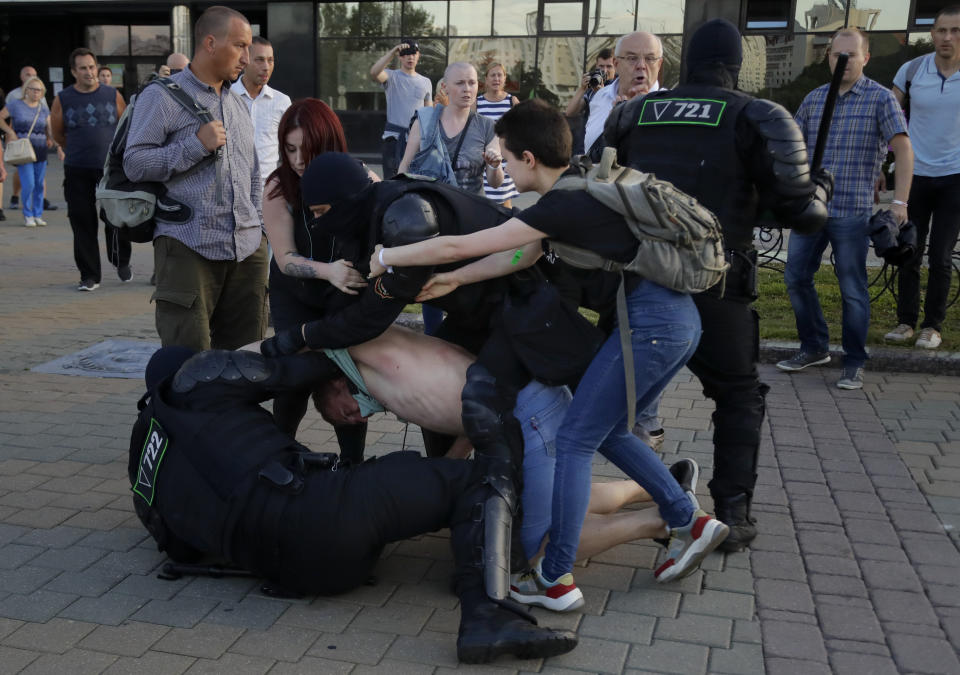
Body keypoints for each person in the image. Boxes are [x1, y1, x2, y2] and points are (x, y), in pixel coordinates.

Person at [371, 99, 730, 610]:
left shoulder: (562, 205)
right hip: (671, 323)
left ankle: (554, 577)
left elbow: (464, 243)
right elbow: (523, 251)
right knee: (603, 428)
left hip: (651, 327)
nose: (502, 168)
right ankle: (687, 516)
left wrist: (389, 256)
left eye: (506, 159)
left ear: (529, 158)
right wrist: (455, 279)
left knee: (576, 440)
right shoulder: (577, 187)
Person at [134, 345, 578, 664]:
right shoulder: (197, 377)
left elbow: (181, 551)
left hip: (289, 571)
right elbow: (301, 364)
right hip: (324, 509)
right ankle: (487, 611)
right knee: (481, 477)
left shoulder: (141, 465)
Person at [605, 18, 831, 552]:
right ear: (735, 63)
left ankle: (645, 497)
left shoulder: (633, 112)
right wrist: (819, 185)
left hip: (643, 279)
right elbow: (802, 215)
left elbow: (600, 182)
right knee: (736, 395)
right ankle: (733, 511)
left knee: (617, 401)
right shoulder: (759, 115)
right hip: (718, 282)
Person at [123, 5, 268, 350]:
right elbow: (135, 163)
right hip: (189, 247)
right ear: (210, 43)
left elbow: (252, 174)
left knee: (245, 360)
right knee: (188, 364)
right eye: (240, 46)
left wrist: (259, 230)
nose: (247, 58)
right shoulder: (161, 96)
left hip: (246, 252)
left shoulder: (237, 103)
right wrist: (194, 146)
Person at [779, 28, 912, 389]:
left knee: (852, 286)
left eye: (851, 55)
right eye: (838, 55)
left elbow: (902, 148)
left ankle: (854, 360)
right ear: (828, 57)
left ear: (865, 58)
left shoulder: (880, 98)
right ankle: (814, 346)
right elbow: (793, 149)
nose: (844, 61)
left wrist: (899, 202)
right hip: (812, 208)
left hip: (852, 209)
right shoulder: (814, 98)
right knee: (795, 277)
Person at [261, 101, 370, 460]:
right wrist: (330, 271)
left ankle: (353, 468)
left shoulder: (360, 179)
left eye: (305, 149)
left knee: (347, 380)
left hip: (343, 293)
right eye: (289, 149)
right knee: (292, 380)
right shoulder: (277, 188)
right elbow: (285, 259)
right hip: (295, 293)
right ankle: (279, 458)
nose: (297, 159)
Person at [398, 61, 504, 334]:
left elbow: (495, 181)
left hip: (471, 223)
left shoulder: (486, 127)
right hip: (432, 220)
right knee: (431, 284)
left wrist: (494, 165)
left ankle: (463, 342)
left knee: (469, 286)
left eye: (472, 82)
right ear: (445, 87)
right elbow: (403, 169)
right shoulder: (425, 120)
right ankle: (433, 340)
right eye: (460, 83)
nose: (467, 89)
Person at [885, 5, 960, 350]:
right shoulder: (912, 70)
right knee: (909, 251)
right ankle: (905, 322)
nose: (948, 37)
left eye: (956, 30)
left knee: (941, 256)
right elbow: (888, 116)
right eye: (942, 30)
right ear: (931, 34)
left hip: (955, 178)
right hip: (915, 176)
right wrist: (880, 164)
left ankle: (932, 326)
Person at [50, 48, 129, 291]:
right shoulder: (63, 98)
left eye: (92, 67)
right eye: (83, 68)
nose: (89, 72)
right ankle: (89, 275)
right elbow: (58, 133)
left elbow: (125, 127)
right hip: (77, 169)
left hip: (110, 170)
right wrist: (76, 148)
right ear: (74, 72)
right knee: (82, 222)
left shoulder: (112, 94)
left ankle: (120, 259)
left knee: (115, 219)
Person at [583, 33, 662, 157]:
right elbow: (589, 154)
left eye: (650, 58)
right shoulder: (600, 96)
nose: (641, 66)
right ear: (616, 64)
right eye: (632, 58)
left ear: (659, 64)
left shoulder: (667, 106)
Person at [369, 40, 433, 179]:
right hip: (394, 138)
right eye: (405, 54)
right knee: (392, 179)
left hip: (416, 139)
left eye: (413, 54)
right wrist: (392, 52)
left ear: (418, 56)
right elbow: (374, 72)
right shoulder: (391, 76)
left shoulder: (426, 82)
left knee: (416, 178)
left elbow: (429, 114)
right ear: (400, 57)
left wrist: (429, 140)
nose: (410, 57)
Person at [231, 36, 292, 180]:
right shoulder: (226, 96)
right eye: (259, 60)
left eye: (270, 60)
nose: (266, 67)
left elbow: (291, 147)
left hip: (268, 191)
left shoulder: (282, 102)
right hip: (232, 190)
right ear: (245, 60)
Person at [0, 76, 55, 227]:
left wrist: (52, 139)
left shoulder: (43, 108)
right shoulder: (15, 105)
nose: (37, 92)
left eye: (40, 90)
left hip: (41, 150)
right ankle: (28, 214)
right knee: (29, 183)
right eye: (34, 89)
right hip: (23, 152)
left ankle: (38, 214)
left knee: (39, 184)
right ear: (26, 90)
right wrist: (9, 132)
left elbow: (49, 126)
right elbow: (1, 117)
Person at [477, 62, 520, 208]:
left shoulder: (512, 101)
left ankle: (505, 229)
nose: (496, 78)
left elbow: (522, 130)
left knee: (504, 203)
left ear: (504, 78)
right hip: (483, 159)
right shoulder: (477, 103)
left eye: (499, 75)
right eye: (492, 75)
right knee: (484, 203)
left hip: (505, 159)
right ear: (486, 79)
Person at [565, 48, 615, 155]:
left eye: (609, 66)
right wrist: (582, 88)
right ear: (596, 66)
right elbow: (570, 112)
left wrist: (601, 94)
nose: (605, 71)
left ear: (616, 66)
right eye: (601, 66)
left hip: (606, 147)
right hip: (585, 147)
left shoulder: (617, 87)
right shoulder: (592, 87)